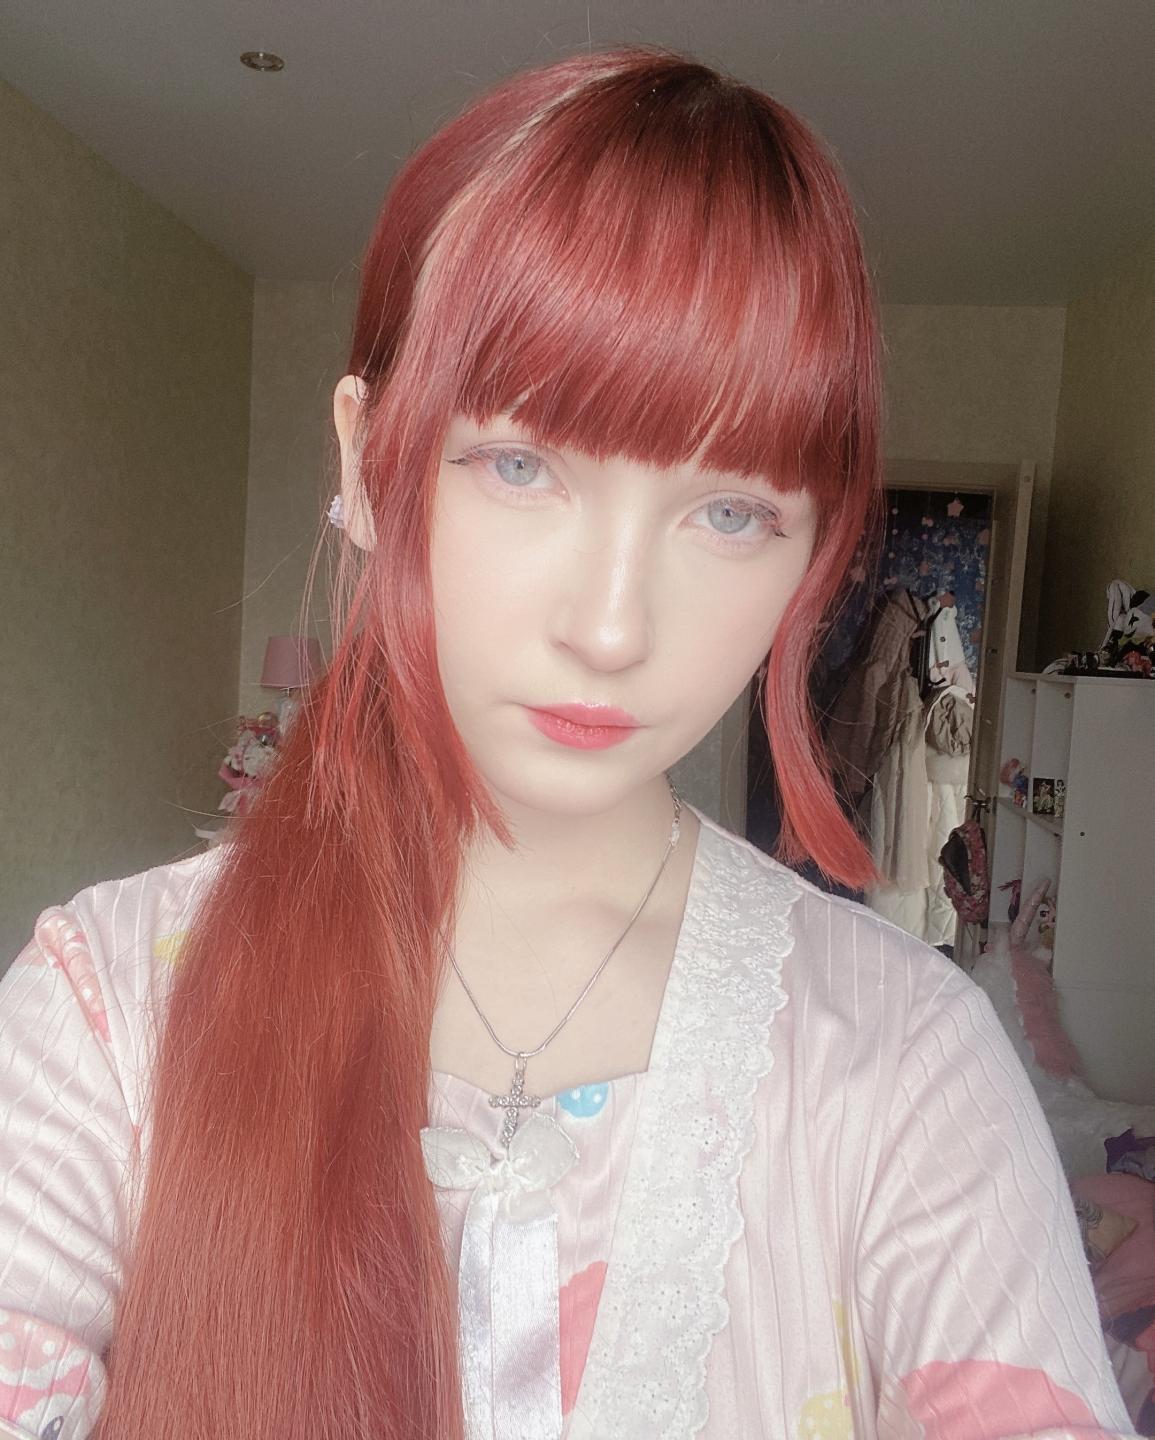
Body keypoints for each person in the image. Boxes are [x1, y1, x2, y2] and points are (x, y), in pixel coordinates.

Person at [0, 45, 1139, 1440]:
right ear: (364, 460)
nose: (611, 628)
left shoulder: (905, 1065)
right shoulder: (109, 1018)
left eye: (731, 513)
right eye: (521, 464)